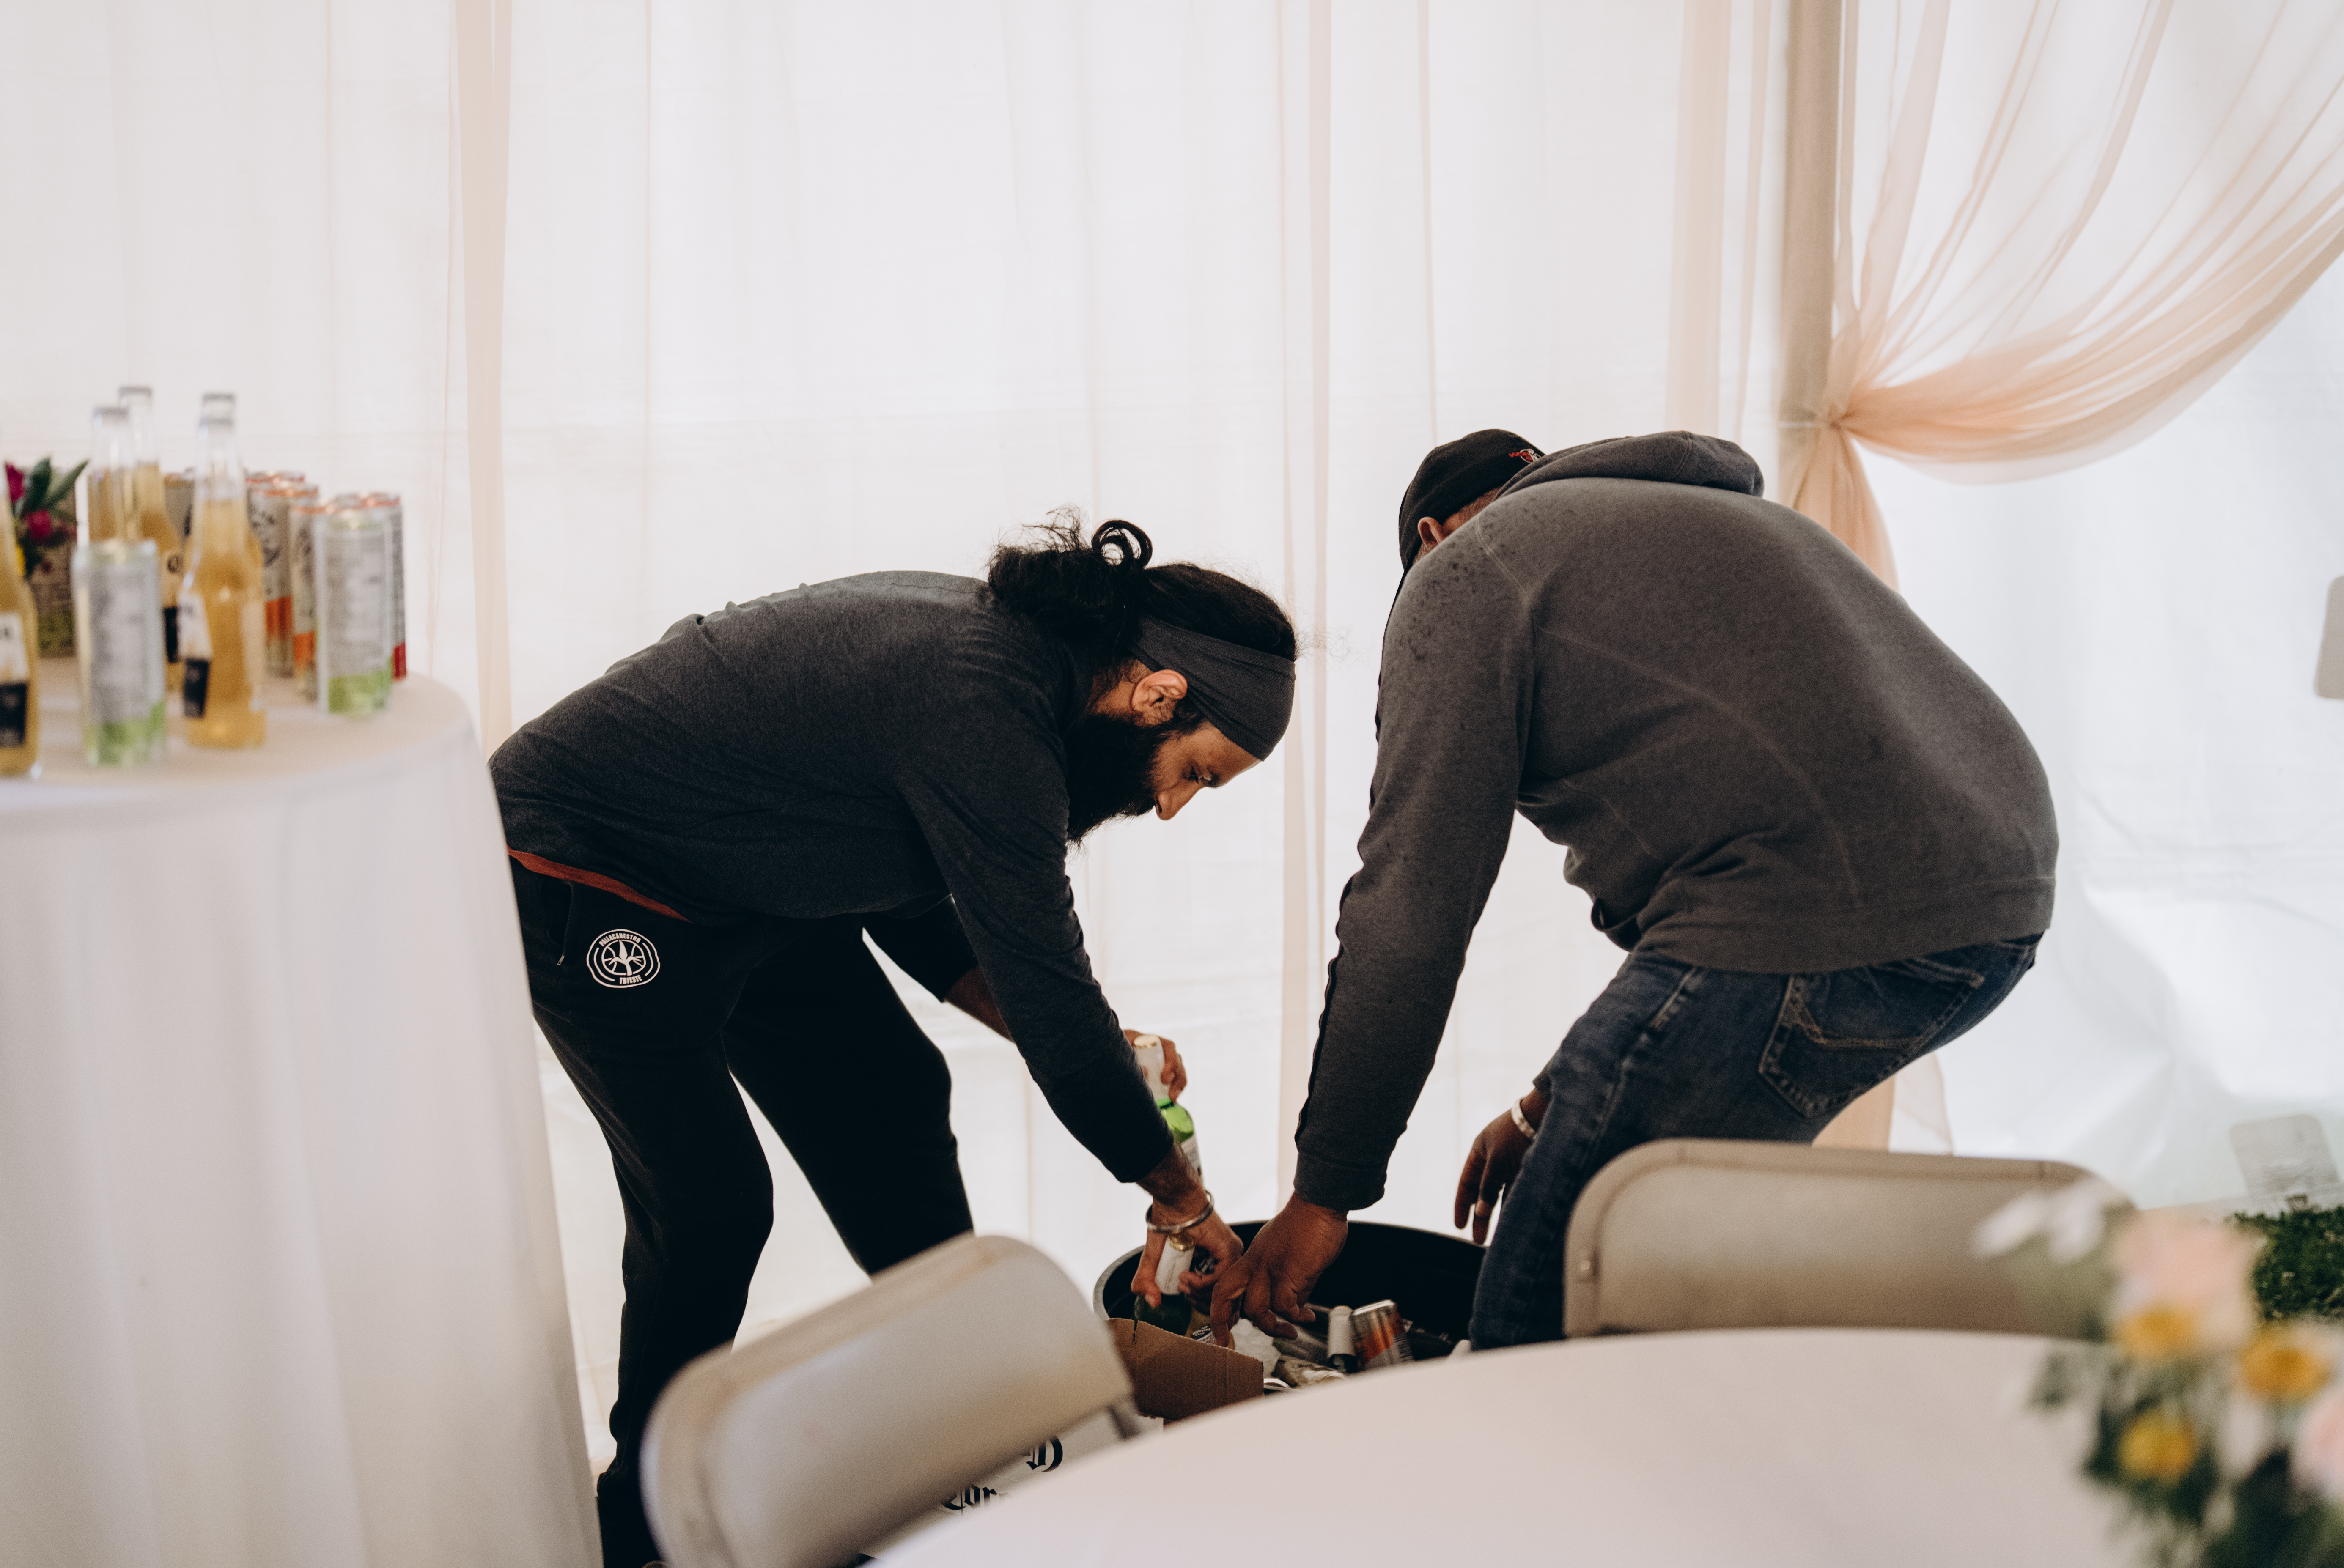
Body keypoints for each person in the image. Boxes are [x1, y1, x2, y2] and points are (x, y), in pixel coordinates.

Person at [491, 515, 1293, 1567]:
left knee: (890, 1093)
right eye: (1198, 772)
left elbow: (911, 891)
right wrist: (1179, 1196)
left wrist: (1091, 1040)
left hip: (745, 878)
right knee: (710, 1204)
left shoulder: (1032, 675)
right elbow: (1045, 984)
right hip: (587, 867)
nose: (1174, 806)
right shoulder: (988, 704)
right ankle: (639, 1523)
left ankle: (965, 1421)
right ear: (1159, 696)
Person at [1210, 429, 2056, 1350]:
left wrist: (1324, 1194)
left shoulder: (1462, 574)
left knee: (1553, 1298)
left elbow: (1410, 906)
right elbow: (1714, 865)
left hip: (1814, 907)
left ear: (1429, 534)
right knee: (1666, 1288)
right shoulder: (1701, 521)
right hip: (1997, 910)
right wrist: (1545, 1105)